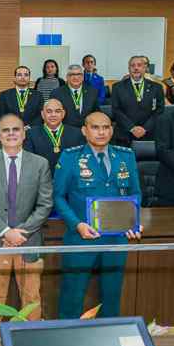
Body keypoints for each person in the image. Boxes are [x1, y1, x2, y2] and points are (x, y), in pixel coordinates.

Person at [53, 112, 142, 318]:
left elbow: (135, 193)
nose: (101, 132)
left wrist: (133, 222)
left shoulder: (125, 156)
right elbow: (58, 196)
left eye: (106, 127)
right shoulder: (70, 157)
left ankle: (107, 341)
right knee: (73, 295)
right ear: (85, 131)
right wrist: (77, 225)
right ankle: (68, 340)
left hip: (116, 238)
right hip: (81, 238)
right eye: (95, 127)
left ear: (111, 130)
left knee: (111, 296)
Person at [0, 114, 54, 320]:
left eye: (15, 129)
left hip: (29, 241)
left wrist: (21, 233)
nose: (11, 134)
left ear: (24, 133)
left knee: (31, 299)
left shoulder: (40, 163)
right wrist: (6, 232)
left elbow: (45, 204)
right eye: (5, 130)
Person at [111, 56, 165, 144]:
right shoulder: (117, 87)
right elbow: (116, 110)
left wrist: (145, 128)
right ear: (129, 68)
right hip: (124, 135)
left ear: (145, 68)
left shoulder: (157, 87)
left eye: (139, 65)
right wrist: (132, 128)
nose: (136, 68)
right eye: (132, 65)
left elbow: (160, 110)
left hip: (149, 134)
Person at [24, 98, 84, 171]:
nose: (53, 115)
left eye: (57, 111)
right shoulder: (31, 134)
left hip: (69, 178)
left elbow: (80, 160)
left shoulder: (77, 133)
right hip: (41, 178)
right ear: (42, 114)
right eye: (49, 111)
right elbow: (29, 161)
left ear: (63, 114)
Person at [51, 64, 100, 128]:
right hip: (65, 132)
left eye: (79, 74)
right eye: (72, 74)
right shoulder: (56, 93)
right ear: (67, 77)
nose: (76, 77)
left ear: (83, 77)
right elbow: (53, 116)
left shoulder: (92, 92)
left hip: (87, 131)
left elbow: (96, 113)